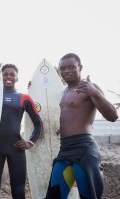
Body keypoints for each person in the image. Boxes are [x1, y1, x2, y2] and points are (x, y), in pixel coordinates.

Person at [45, 53, 118, 199]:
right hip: (64, 149)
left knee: (89, 195)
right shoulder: (63, 92)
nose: (66, 71)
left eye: (71, 67)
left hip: (84, 149)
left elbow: (113, 116)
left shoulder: (90, 87)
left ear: (80, 67)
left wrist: (94, 93)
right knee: (54, 195)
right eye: (62, 68)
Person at [0, 64, 42, 199]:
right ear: (1, 77)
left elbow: (38, 124)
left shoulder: (24, 98)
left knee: (19, 189)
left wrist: (30, 142)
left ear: (17, 78)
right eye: (5, 74)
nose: (8, 77)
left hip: (16, 148)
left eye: (12, 74)